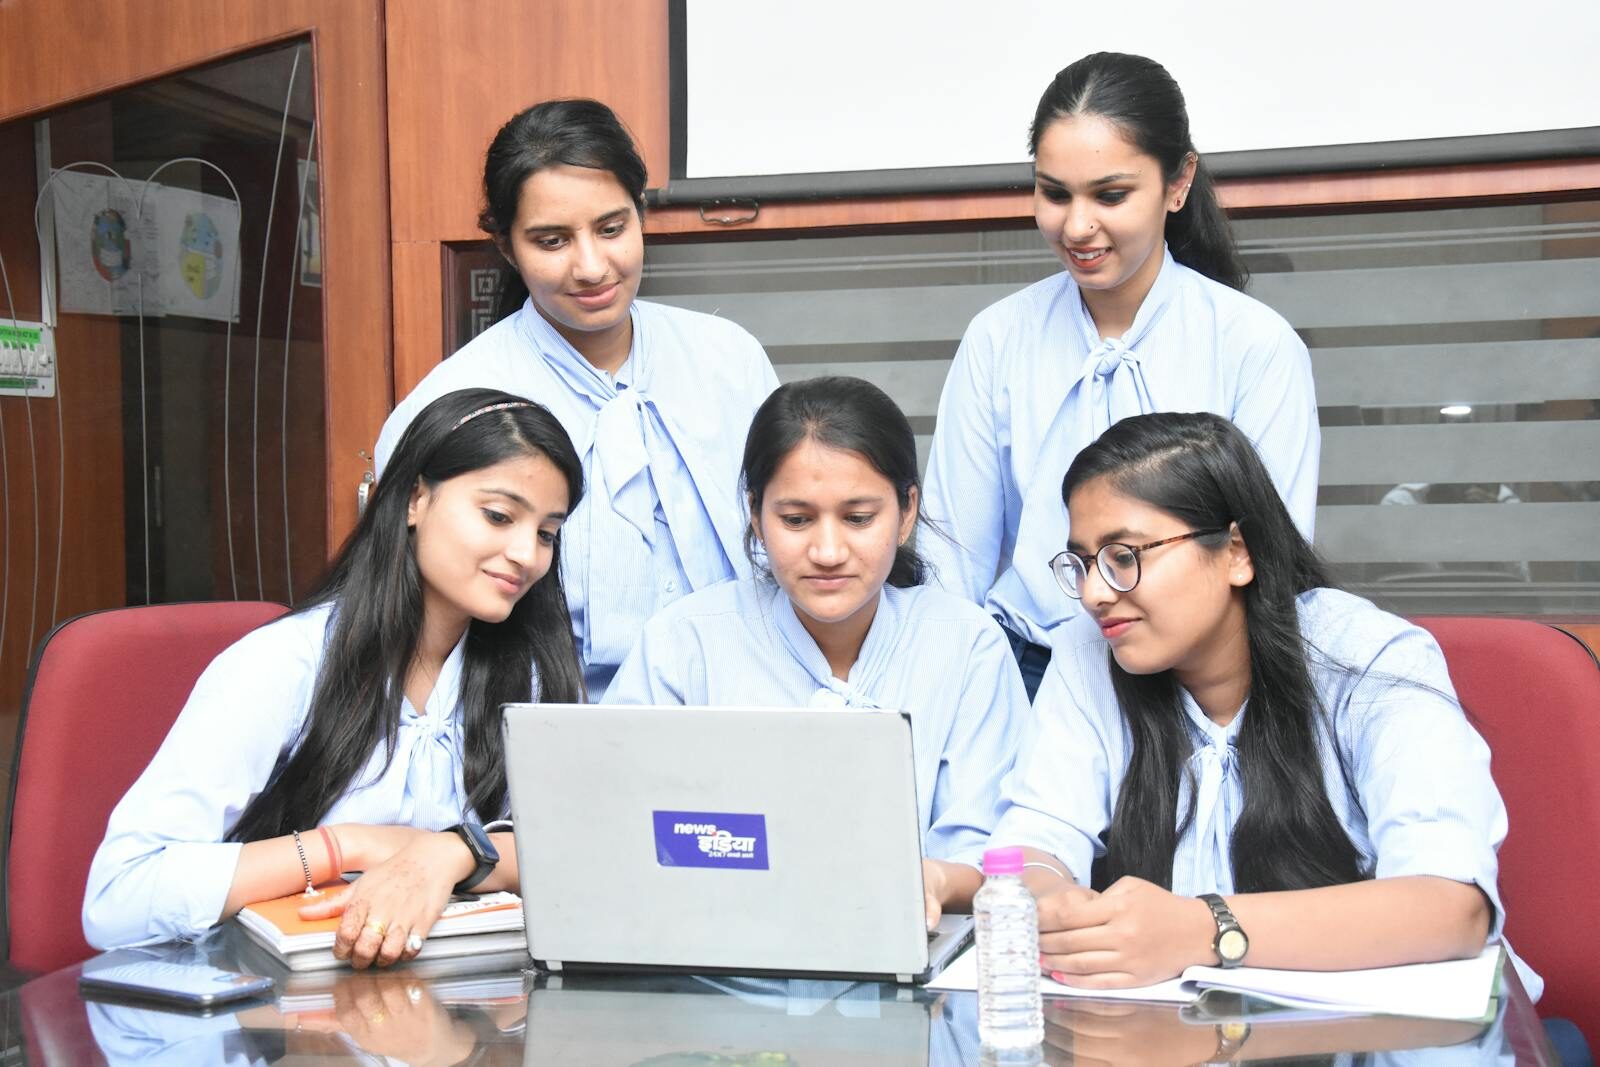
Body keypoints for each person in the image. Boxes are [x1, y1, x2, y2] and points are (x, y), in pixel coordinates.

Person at [979, 411, 1538, 996]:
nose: (1095, 592)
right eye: (1085, 563)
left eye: (1125, 556)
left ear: (1237, 552)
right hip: (1170, 1039)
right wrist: (1053, 902)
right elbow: (1033, 842)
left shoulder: (1366, 656)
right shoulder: (1088, 655)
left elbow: (1451, 906)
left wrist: (1203, 929)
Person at [84, 388, 585, 969]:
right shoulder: (282, 664)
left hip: (455, 1008)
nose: (526, 553)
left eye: (547, 533)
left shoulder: (526, 671)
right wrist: (349, 845)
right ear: (415, 499)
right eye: (498, 516)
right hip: (275, 1018)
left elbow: (575, 850)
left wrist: (445, 855)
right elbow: (117, 897)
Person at [920, 52, 1319, 699]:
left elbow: (1272, 565)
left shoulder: (1254, 345)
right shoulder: (998, 338)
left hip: (1193, 673)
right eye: (1054, 193)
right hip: (1028, 668)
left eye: (1110, 195)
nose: (1077, 226)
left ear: (1179, 181)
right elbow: (950, 565)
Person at [375, 98, 779, 695]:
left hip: (747, 706)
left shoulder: (729, 359)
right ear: (508, 247)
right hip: (545, 729)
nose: (592, 267)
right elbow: (411, 629)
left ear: (641, 214)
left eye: (612, 229)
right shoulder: (454, 405)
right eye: (552, 240)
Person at [605, 377, 1027, 922]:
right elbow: (621, 824)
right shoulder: (683, 642)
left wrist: (935, 879)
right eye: (797, 520)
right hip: (719, 970)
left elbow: (995, 848)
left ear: (907, 512)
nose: (828, 552)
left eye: (858, 518)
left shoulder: (967, 644)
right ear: (755, 516)